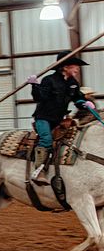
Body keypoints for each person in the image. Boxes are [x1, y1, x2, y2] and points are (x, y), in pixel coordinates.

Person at [27, 50, 92, 185]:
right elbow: (39, 97)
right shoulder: (49, 80)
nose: (77, 70)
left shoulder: (73, 83)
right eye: (75, 66)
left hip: (59, 120)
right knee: (46, 139)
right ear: (65, 67)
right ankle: (39, 171)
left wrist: (85, 103)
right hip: (43, 118)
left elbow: (77, 98)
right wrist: (34, 86)